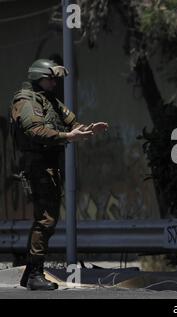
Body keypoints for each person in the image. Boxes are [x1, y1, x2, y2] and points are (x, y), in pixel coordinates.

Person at [9, 59, 109, 290]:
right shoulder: (26, 100)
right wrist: (68, 137)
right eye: (50, 78)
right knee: (45, 220)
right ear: (37, 77)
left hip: (49, 166)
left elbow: (71, 122)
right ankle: (34, 274)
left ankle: (29, 273)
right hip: (37, 166)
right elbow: (34, 130)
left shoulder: (49, 99)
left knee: (47, 220)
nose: (54, 83)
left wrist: (87, 129)